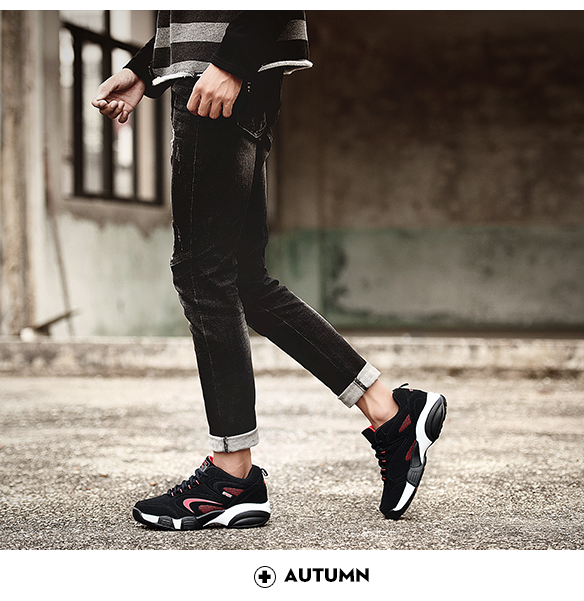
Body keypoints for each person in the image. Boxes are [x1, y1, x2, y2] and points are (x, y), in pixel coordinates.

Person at [92, 10, 447, 530]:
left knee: (201, 274)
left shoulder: (226, 68)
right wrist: (146, 68)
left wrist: (230, 63)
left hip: (219, 77)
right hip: (223, 73)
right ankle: (390, 414)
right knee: (242, 281)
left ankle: (229, 476)